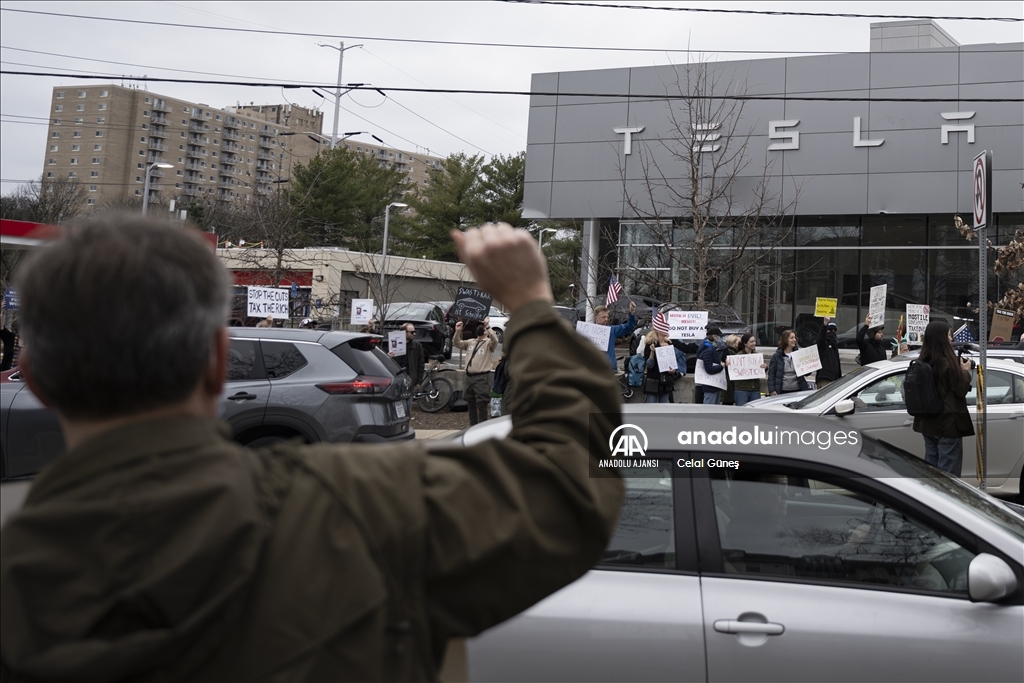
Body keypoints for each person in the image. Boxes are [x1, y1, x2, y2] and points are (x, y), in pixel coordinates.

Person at [0, 216, 624, 681]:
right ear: (220, 362)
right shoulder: (361, 508)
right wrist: (532, 308)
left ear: (32, 372)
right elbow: (574, 473)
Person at [912, 319, 973, 476]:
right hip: (948, 424)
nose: (951, 339)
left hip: (927, 422)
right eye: (949, 335)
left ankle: (929, 498)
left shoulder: (921, 361)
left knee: (931, 470)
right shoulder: (947, 363)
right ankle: (945, 499)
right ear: (941, 338)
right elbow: (961, 389)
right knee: (948, 474)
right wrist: (965, 371)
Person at [453, 316, 499, 426]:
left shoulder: (489, 343)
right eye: (479, 326)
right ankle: (472, 427)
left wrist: (488, 326)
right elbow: (457, 343)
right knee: (470, 403)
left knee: (482, 404)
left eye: (482, 327)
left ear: (487, 331)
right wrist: (457, 331)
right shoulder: (471, 342)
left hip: (482, 378)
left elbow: (495, 340)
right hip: (469, 377)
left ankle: (482, 429)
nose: (480, 328)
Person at [389, 323, 423, 415]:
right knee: (397, 405)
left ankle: (406, 422)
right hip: (398, 379)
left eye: (415, 331)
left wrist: (419, 382)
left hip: (410, 379)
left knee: (408, 405)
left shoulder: (417, 346)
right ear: (404, 333)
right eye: (412, 332)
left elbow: (421, 365)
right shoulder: (395, 345)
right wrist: (389, 357)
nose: (414, 334)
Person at [594, 301, 636, 372]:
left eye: (607, 317)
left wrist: (631, 314)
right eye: (603, 317)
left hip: (609, 369)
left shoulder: (611, 330)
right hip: (593, 369)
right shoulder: (588, 331)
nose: (606, 319)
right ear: (596, 318)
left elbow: (629, 327)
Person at [641, 325, 679, 404]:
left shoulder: (669, 343)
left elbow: (673, 363)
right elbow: (649, 365)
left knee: (663, 409)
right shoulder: (650, 344)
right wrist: (652, 352)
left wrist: (673, 370)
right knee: (652, 409)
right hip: (653, 381)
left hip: (666, 382)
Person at [768, 329, 810, 396]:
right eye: (791, 338)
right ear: (785, 339)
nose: (794, 340)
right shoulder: (777, 356)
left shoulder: (799, 355)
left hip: (798, 390)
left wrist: (808, 365)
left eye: (795, 338)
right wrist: (772, 390)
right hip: (782, 391)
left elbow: (807, 373)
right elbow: (771, 374)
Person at [697, 326, 729, 405]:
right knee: (709, 409)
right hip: (710, 386)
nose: (719, 339)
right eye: (718, 336)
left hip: (714, 385)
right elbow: (709, 369)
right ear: (714, 336)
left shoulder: (710, 348)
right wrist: (722, 366)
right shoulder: (708, 349)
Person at [733, 333, 767, 406]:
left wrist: (765, 367)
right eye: (751, 342)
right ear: (745, 343)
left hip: (755, 389)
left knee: (754, 413)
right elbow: (733, 371)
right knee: (742, 412)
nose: (754, 343)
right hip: (741, 389)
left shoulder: (757, 356)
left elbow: (761, 371)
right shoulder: (738, 356)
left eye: (754, 341)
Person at [815, 317, 842, 388]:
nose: (832, 332)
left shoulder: (834, 345)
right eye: (830, 330)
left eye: (834, 330)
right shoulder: (823, 344)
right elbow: (821, 339)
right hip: (825, 379)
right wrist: (824, 325)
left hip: (835, 379)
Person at [721, 334, 741, 405]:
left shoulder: (735, 353)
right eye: (739, 342)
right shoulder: (728, 353)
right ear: (733, 343)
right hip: (729, 382)